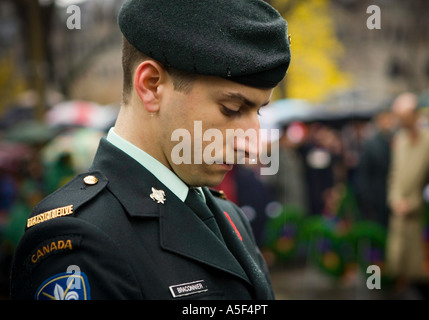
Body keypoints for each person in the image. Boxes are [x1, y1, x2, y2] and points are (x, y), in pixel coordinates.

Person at [10, 0, 291, 300]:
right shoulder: (80, 239)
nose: (252, 143)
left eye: (258, 111)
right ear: (151, 86)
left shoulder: (229, 216)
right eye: (231, 108)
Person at [385, 92, 429, 291]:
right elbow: (395, 175)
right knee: (402, 270)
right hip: (401, 216)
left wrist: (414, 203)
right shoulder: (400, 140)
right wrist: (395, 200)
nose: (400, 122)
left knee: (426, 275)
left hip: (424, 219)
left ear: (414, 114)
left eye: (403, 117)